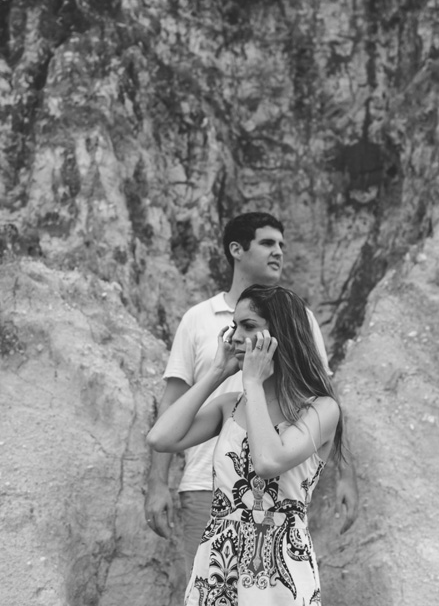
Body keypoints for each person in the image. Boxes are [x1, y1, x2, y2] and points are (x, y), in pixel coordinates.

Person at [144, 213, 358, 596]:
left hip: (278, 576)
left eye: (248, 327)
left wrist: (254, 382)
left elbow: (268, 461)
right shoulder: (228, 403)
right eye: (234, 326)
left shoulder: (321, 409)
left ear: (281, 335)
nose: (234, 336)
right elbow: (160, 438)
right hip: (218, 568)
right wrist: (216, 372)